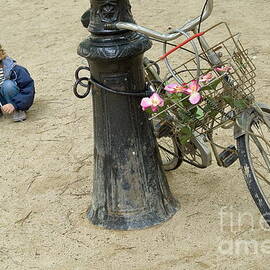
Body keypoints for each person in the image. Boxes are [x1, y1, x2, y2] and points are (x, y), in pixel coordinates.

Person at [0, 44, 35, 122]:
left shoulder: (15, 70)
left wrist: (15, 104)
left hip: (14, 98)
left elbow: (28, 89)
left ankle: (18, 110)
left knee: (8, 85)